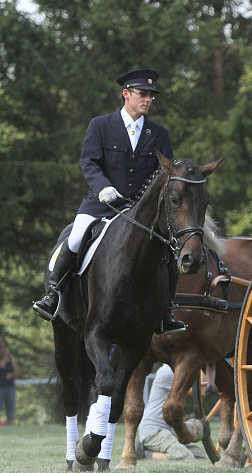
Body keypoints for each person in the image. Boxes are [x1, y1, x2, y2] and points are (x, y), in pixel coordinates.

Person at [32, 69, 183, 334]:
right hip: (101, 203)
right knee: (76, 237)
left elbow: (165, 174)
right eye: (142, 94)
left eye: (151, 96)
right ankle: (54, 295)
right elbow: (88, 161)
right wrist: (102, 187)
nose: (147, 99)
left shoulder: (159, 134)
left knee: (169, 250)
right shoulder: (100, 125)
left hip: (141, 210)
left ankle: (166, 311)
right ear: (126, 94)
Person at [136, 364, 205, 460]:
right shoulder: (168, 371)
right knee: (186, 457)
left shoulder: (179, 369)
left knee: (200, 456)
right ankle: (145, 453)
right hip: (153, 430)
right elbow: (201, 391)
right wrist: (205, 364)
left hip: (169, 430)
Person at [0, 337, 19, 426]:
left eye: (4, 347)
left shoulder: (11, 358)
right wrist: (5, 356)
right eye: (1, 347)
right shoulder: (4, 357)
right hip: (0, 387)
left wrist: (11, 375)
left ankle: (10, 424)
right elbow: (2, 365)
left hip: (10, 387)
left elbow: (16, 371)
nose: (3, 349)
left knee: (10, 407)